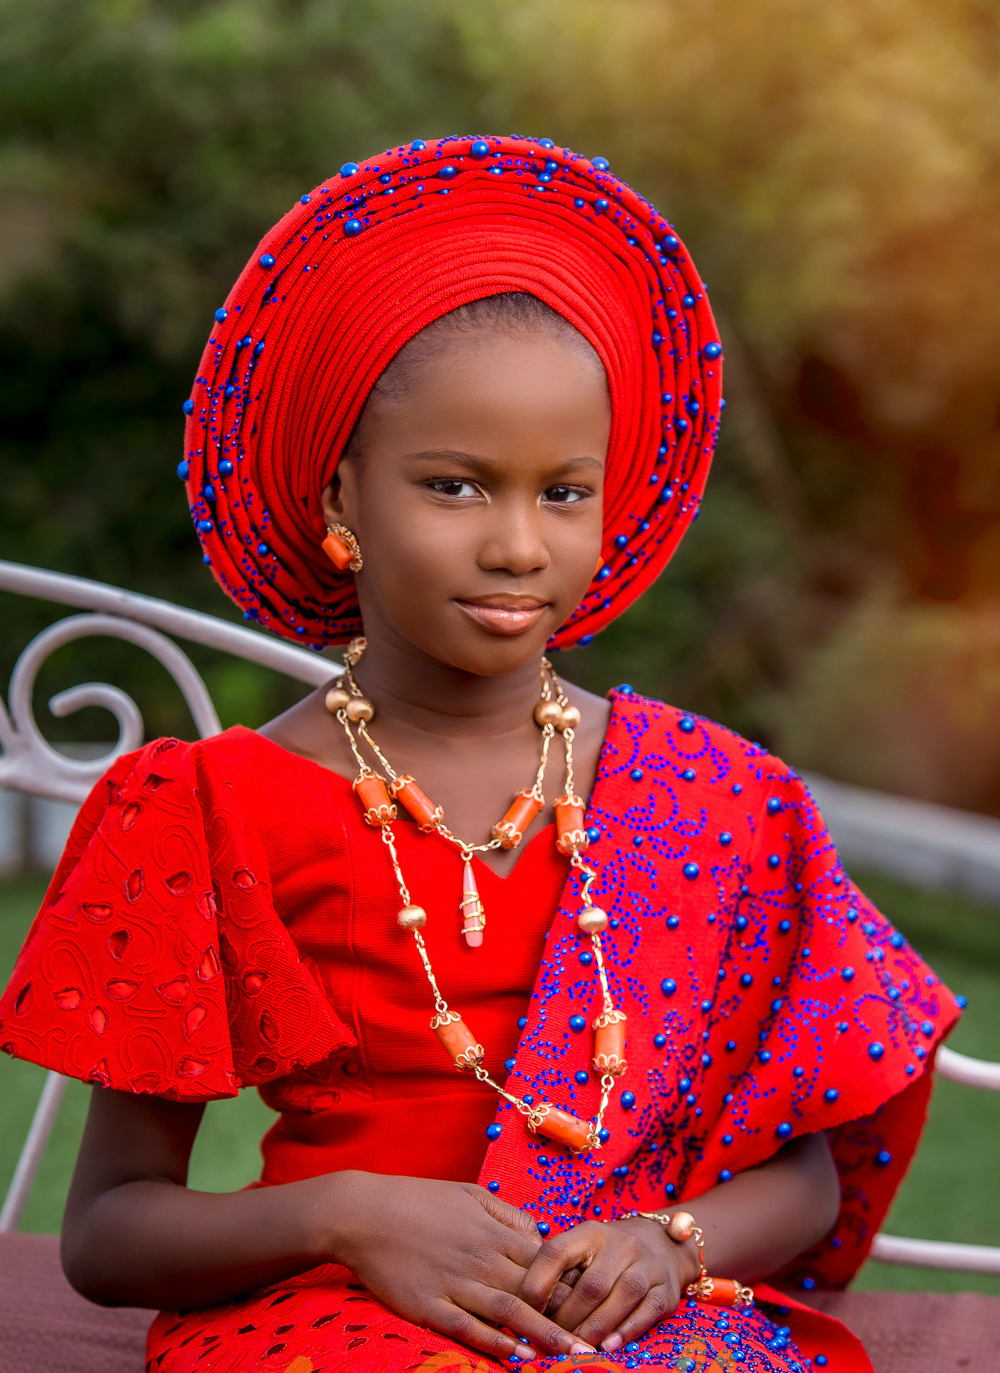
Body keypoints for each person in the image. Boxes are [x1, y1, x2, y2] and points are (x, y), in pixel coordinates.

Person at [0, 135, 959, 1373]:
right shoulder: (214, 805)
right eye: (454, 488)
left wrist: (667, 1245)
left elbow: (806, 1179)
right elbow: (111, 1231)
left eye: (563, 492)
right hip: (335, 1313)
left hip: (627, 1316)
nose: (517, 546)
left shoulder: (716, 798)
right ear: (340, 496)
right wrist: (344, 1216)